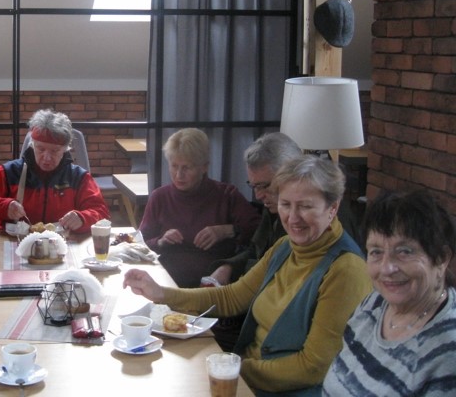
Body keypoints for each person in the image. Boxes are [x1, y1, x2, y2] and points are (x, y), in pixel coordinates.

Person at [124, 155, 372, 396]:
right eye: (286, 204)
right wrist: (160, 292)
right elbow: (232, 297)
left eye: (306, 206)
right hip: (247, 377)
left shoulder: (346, 270)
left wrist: (232, 368)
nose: (293, 217)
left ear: (333, 208)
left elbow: (312, 368)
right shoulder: (285, 247)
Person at [323, 191, 456, 396]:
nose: (386, 269)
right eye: (376, 252)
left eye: (404, 251)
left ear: (441, 258)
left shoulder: (447, 351)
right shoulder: (374, 303)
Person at [205, 132, 302, 350]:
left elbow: (277, 273)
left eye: (265, 186)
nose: (258, 196)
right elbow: (256, 250)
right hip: (253, 313)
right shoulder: (274, 206)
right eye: (254, 186)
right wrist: (228, 265)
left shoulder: (308, 220)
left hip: (274, 330)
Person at [137, 128, 262, 287]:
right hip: (166, 282)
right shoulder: (160, 197)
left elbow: (259, 230)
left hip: (213, 284)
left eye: (186, 167)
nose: (178, 175)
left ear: (204, 167)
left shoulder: (226, 195)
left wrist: (228, 230)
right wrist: (161, 241)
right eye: (174, 166)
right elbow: (139, 244)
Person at [0, 109, 109, 233]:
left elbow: (102, 214)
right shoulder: (10, 173)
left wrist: (83, 218)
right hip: (13, 243)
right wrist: (4, 206)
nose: (46, 157)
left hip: (62, 246)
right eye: (41, 148)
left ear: (65, 150)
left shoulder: (78, 177)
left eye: (54, 151)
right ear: (32, 145)